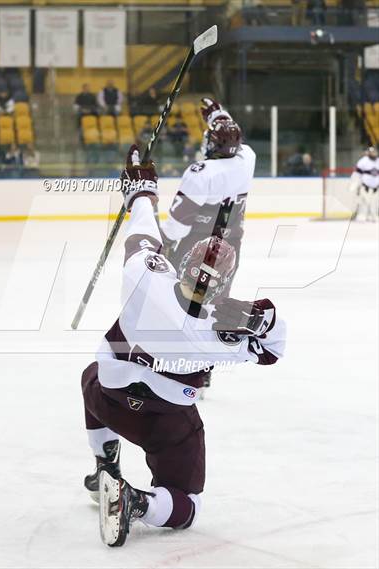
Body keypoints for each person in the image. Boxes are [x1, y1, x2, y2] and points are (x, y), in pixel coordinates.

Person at [81, 144, 286, 547]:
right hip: (166, 425)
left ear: (184, 265)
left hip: (109, 399)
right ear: (222, 286)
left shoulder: (147, 274)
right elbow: (274, 350)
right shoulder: (220, 332)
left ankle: (105, 464)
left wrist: (141, 191)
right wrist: (263, 317)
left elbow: (142, 232)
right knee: (187, 506)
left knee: (90, 376)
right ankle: (137, 502)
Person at [159, 98, 256, 391]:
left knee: (178, 303)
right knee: (213, 305)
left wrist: (158, 245)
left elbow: (176, 225)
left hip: (196, 248)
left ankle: (173, 365)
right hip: (229, 250)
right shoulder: (248, 157)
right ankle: (204, 368)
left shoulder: (200, 174)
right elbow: (233, 138)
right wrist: (217, 114)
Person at [353, 146, 379, 222]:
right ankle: (362, 216)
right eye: (372, 152)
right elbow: (357, 174)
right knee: (364, 202)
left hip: (376, 187)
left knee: (375, 202)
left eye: (374, 152)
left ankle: (374, 216)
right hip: (365, 187)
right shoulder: (363, 161)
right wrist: (356, 184)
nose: (373, 154)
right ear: (368, 153)